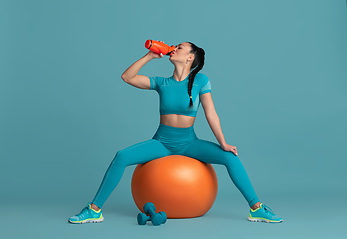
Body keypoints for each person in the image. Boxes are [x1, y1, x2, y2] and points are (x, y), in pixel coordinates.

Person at [68, 41, 282, 224]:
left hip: (189, 143)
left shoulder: (200, 80)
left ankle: (256, 208)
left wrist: (223, 142)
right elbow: (127, 77)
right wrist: (150, 56)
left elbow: (211, 114)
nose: (174, 48)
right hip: (162, 142)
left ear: (190, 57)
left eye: (179, 47)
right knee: (121, 156)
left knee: (230, 157)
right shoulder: (162, 83)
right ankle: (94, 210)